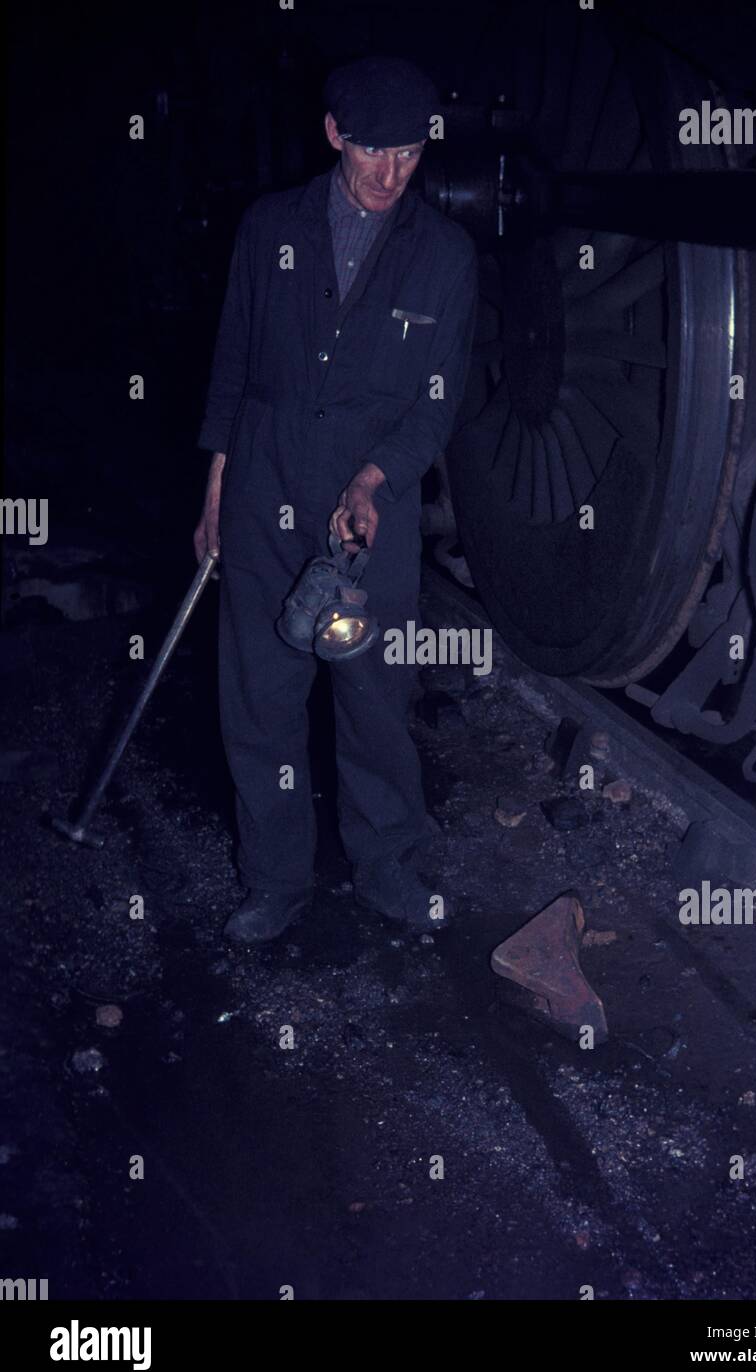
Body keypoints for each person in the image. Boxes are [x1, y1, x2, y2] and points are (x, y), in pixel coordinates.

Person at [194, 56, 479, 943]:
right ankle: (275, 879)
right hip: (261, 483)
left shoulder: (445, 257)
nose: (391, 175)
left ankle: (386, 861)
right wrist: (213, 499)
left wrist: (372, 482)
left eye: (408, 153)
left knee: (372, 697)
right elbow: (233, 369)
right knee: (260, 697)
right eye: (372, 152)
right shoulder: (267, 229)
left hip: (369, 506)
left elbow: (437, 401)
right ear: (333, 136)